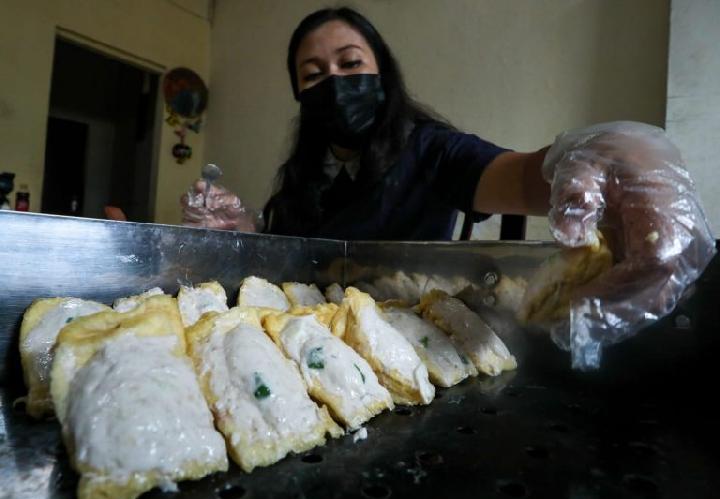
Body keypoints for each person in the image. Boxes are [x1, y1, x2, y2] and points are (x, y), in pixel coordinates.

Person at [182, 7, 715, 367]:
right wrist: (245, 230)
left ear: (382, 76)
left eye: (350, 64)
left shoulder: (432, 150)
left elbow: (523, 175)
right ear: (300, 94)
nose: (335, 83)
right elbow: (291, 258)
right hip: (307, 346)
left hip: (410, 348)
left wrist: (608, 152)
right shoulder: (303, 176)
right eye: (314, 75)